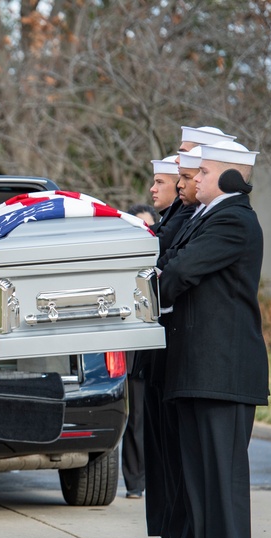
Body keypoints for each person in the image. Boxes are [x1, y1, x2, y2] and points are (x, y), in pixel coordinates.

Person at [158, 140, 268, 538]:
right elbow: (171, 263)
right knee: (201, 473)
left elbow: (180, 271)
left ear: (227, 176)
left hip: (222, 368)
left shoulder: (234, 219)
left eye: (202, 172)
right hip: (199, 366)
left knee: (220, 474)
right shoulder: (209, 218)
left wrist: (152, 286)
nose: (193, 178)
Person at [120, 203, 158, 499]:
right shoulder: (123, 259)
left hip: (161, 343)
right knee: (137, 419)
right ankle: (135, 482)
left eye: (149, 228)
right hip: (134, 348)